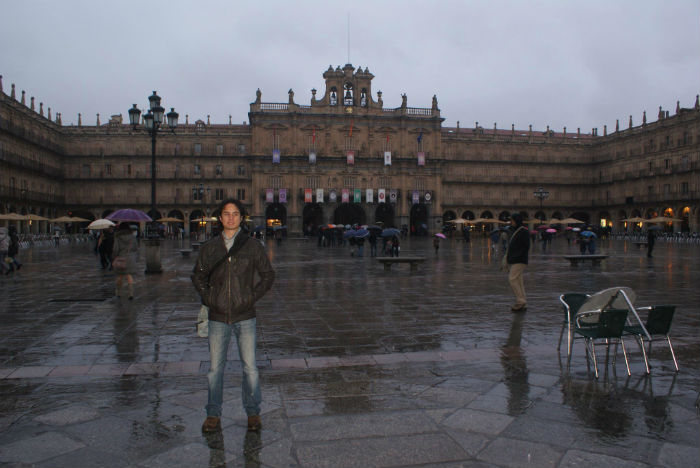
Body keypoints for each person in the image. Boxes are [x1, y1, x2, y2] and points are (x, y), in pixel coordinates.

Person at [192, 199, 275, 434]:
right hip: (218, 316)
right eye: (226, 214)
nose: (230, 218)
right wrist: (210, 298)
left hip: (245, 315)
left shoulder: (252, 246)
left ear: (241, 217)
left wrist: (250, 297)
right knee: (215, 370)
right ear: (220, 217)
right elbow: (197, 276)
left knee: (250, 368)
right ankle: (212, 414)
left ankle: (253, 412)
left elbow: (268, 275)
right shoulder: (210, 248)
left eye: (235, 214)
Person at [506, 213, 530, 312]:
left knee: (512, 279)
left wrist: (516, 255)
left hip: (519, 260)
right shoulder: (517, 231)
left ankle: (520, 301)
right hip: (516, 259)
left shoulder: (523, 231)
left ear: (517, 221)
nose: (510, 222)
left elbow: (526, 246)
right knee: (519, 281)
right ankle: (523, 302)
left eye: (512, 221)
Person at [112, 222, 137, 299]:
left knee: (120, 276)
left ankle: (118, 293)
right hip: (130, 258)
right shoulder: (132, 237)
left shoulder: (118, 237)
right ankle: (131, 294)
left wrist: (114, 256)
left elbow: (115, 249)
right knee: (129, 275)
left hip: (121, 257)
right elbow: (135, 248)